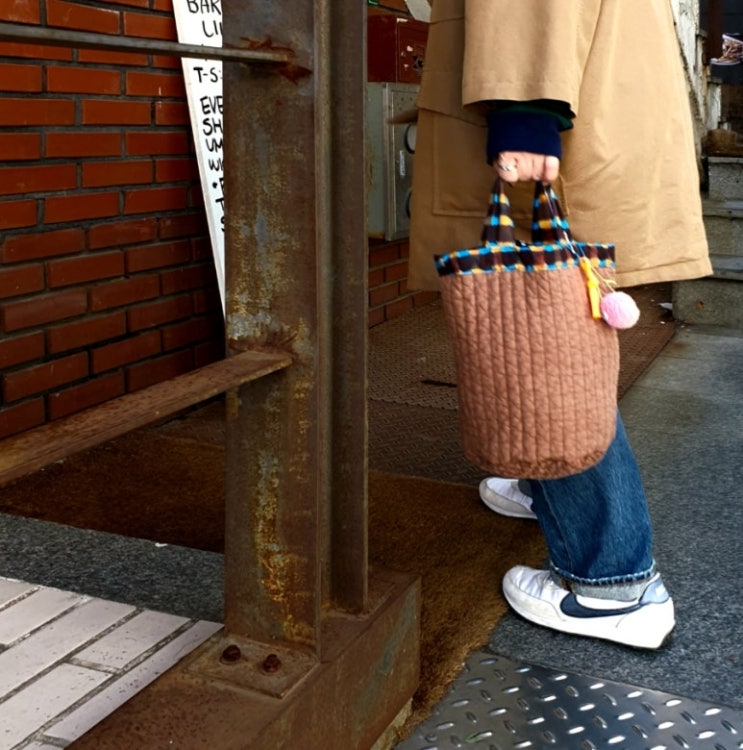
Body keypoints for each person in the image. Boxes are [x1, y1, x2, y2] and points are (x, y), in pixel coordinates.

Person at [408, 0, 712, 650]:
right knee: (557, 332)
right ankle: (544, 482)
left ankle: (613, 584)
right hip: (568, 78)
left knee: (542, 344)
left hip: (536, 90)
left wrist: (526, 111)